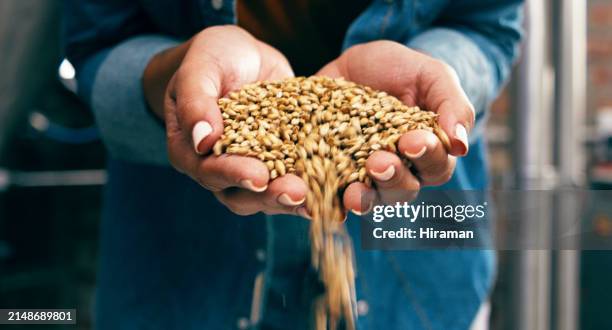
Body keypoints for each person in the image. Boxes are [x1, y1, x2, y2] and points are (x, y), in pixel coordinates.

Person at [64, 0, 523, 329]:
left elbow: (486, 23)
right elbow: (98, 44)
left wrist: (435, 78)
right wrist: (177, 78)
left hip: (417, 271)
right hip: (181, 270)